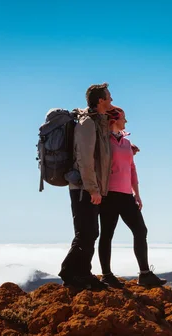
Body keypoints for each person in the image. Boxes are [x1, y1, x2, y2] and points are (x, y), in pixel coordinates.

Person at [97, 106, 166, 288]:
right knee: (107, 234)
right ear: (114, 120)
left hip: (127, 195)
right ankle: (106, 275)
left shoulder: (127, 144)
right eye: (123, 118)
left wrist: (137, 193)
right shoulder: (104, 141)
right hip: (109, 195)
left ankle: (145, 274)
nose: (125, 121)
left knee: (141, 230)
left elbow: (132, 169)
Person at [58, 83, 113, 290]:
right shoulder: (87, 124)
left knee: (90, 232)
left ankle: (82, 273)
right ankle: (70, 272)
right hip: (83, 187)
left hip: (88, 186)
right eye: (109, 97)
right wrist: (92, 188)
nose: (111, 101)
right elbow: (85, 159)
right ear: (100, 100)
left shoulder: (96, 122)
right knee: (85, 232)